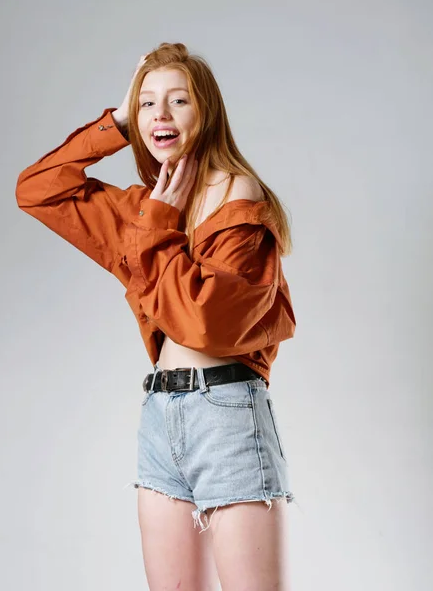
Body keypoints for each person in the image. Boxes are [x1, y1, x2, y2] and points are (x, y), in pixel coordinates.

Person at [15, 42, 298, 590]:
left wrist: (158, 225)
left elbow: (204, 322)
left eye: (177, 101)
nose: (159, 116)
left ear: (206, 112)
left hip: (227, 414)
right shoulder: (148, 208)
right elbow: (38, 190)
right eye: (146, 104)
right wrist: (116, 121)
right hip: (160, 413)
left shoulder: (240, 201)